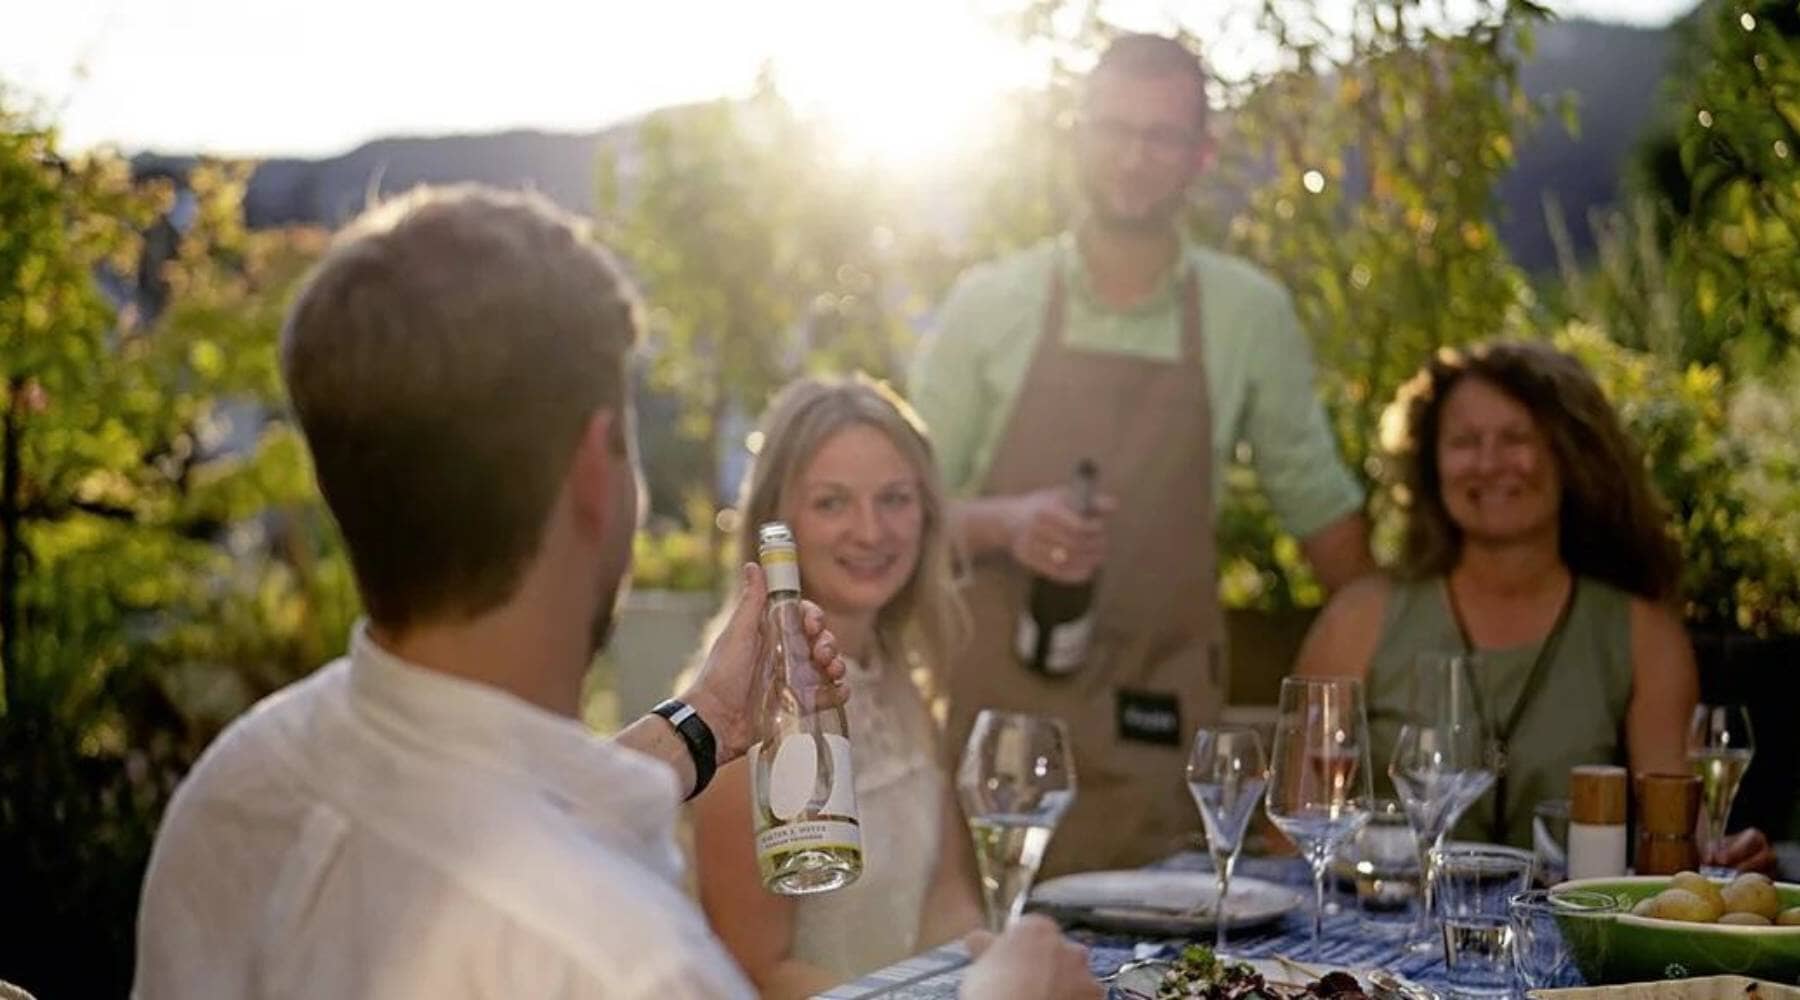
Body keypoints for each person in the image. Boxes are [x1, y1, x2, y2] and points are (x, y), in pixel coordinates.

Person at [132, 185, 1103, 999]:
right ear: (601, 473)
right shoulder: (623, 961)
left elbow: (515, 793)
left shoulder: (232, 790)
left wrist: (704, 720)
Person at [908, 33, 1375, 875]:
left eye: (1161, 136)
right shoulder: (989, 305)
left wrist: (1410, 651)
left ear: (1201, 153)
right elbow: (903, 519)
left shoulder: (1248, 314)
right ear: (1077, 137)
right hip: (998, 731)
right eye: (1114, 128)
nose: (1133, 156)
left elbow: (1321, 512)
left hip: (1155, 723)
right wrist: (1007, 523)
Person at [1294, 339, 1774, 872]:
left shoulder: (1642, 634)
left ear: (1568, 456)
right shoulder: (1358, 619)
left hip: (1566, 945)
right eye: (1464, 441)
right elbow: (1290, 832)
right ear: (1430, 464)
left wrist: (1731, 861)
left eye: (1515, 438)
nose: (1489, 463)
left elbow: (1681, 839)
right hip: (1378, 942)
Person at [691, 376, 983, 996]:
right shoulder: (742, 719)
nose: (871, 531)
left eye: (895, 498)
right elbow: (762, 972)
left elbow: (949, 900)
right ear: (779, 526)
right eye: (832, 502)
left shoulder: (903, 678)